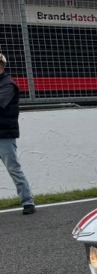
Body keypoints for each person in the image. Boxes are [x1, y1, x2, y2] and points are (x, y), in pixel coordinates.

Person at [0, 53, 35, 215]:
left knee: (13, 168)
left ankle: (28, 201)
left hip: (4, 135)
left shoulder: (8, 84)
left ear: (1, 66)